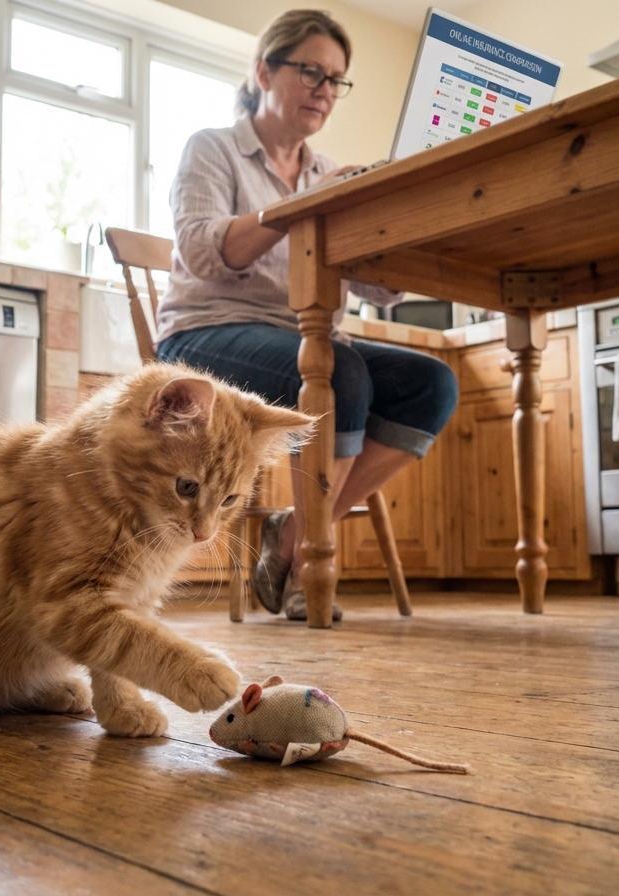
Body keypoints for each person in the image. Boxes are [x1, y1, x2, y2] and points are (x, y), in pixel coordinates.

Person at [155, 9, 458, 621]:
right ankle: (307, 561)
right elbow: (203, 253)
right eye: (312, 72)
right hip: (204, 333)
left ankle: (292, 538)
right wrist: (307, 202)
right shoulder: (215, 148)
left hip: (304, 338)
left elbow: (375, 283)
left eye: (336, 80)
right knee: (339, 370)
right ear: (265, 70)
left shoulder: (326, 169)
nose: (325, 90)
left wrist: (401, 234)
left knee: (433, 384)